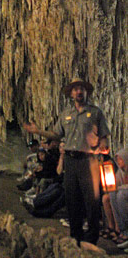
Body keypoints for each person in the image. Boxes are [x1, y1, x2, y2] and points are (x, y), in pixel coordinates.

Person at [23, 78, 110, 246]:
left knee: (91, 200)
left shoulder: (96, 113)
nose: (79, 92)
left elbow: (105, 137)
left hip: (88, 161)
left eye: (81, 89)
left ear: (86, 92)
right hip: (70, 161)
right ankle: (75, 236)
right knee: (72, 198)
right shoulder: (65, 114)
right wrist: (38, 131)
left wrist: (101, 148)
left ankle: (91, 239)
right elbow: (56, 134)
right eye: (76, 89)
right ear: (71, 93)